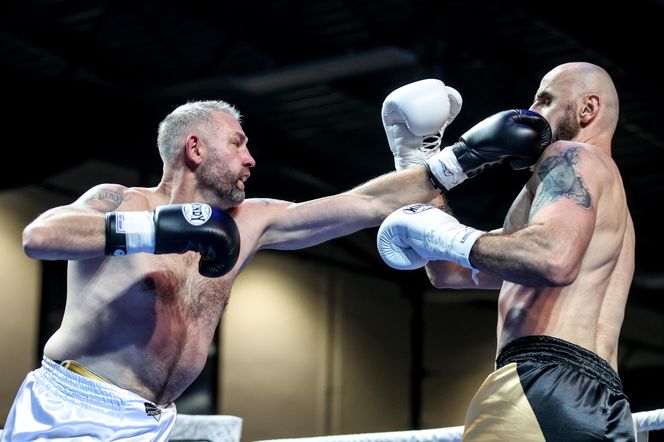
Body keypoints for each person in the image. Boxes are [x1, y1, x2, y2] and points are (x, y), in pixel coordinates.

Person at [2, 89, 550, 440]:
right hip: (73, 411)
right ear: (195, 148)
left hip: (155, 423)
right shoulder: (123, 201)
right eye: (239, 144)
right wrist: (161, 228)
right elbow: (40, 236)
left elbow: (365, 204)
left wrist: (462, 159)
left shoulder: (250, 219)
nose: (250, 158)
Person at [378, 62, 635, 441]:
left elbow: (551, 258)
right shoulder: (606, 208)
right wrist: (416, 163)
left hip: (540, 383)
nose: (531, 114)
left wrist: (453, 235)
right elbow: (448, 270)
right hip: (603, 404)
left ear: (587, 109)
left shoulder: (571, 156)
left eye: (545, 100)